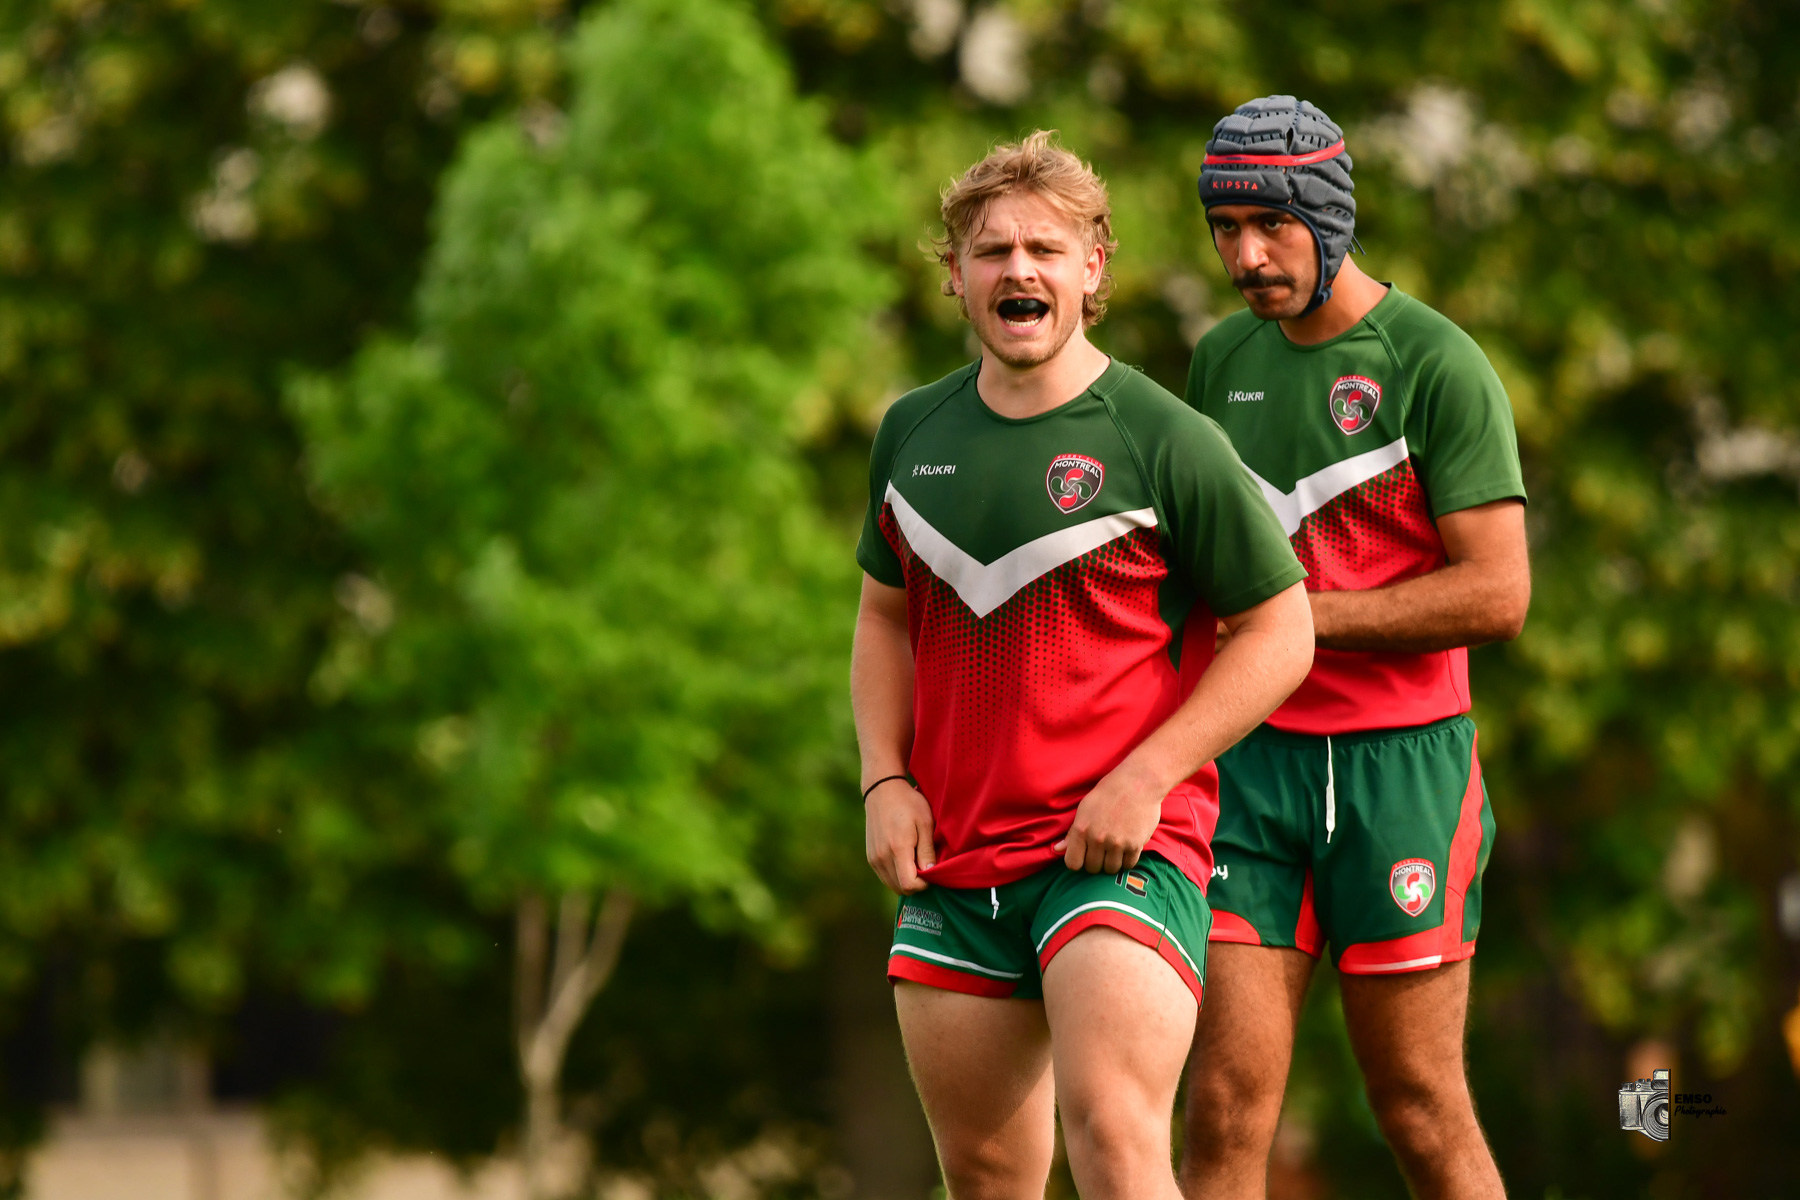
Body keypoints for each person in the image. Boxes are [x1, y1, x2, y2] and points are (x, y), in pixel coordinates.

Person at [850, 130, 1314, 1200]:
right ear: (956, 275)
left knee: (1114, 1139)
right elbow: (883, 618)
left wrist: (1148, 777)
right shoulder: (909, 433)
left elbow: (1282, 629)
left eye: (1047, 250)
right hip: (956, 865)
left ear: (1092, 268)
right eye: (993, 249)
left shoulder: (1165, 436)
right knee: (984, 1176)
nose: (1020, 269)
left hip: (1118, 860)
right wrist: (884, 779)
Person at [1178, 96, 1530, 1200]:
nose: (1247, 256)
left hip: (1403, 770)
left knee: (1418, 1107)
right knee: (1226, 1108)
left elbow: (1499, 593)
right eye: (1225, 229)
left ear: (1330, 218)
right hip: (1250, 766)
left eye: (1272, 227)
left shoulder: (1436, 363)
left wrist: (1298, 616)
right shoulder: (1218, 362)